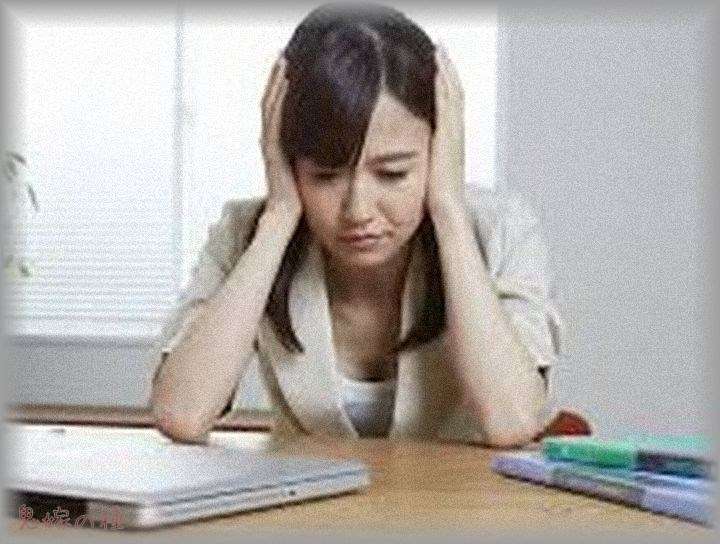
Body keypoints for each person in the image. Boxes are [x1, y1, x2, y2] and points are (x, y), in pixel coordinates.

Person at [150, 2, 564, 448]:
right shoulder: (248, 232)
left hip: (461, 495)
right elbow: (182, 415)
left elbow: (512, 421)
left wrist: (447, 207)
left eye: (393, 174)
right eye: (325, 176)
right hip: (310, 493)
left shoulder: (501, 229)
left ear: (439, 148)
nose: (358, 211)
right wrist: (280, 218)